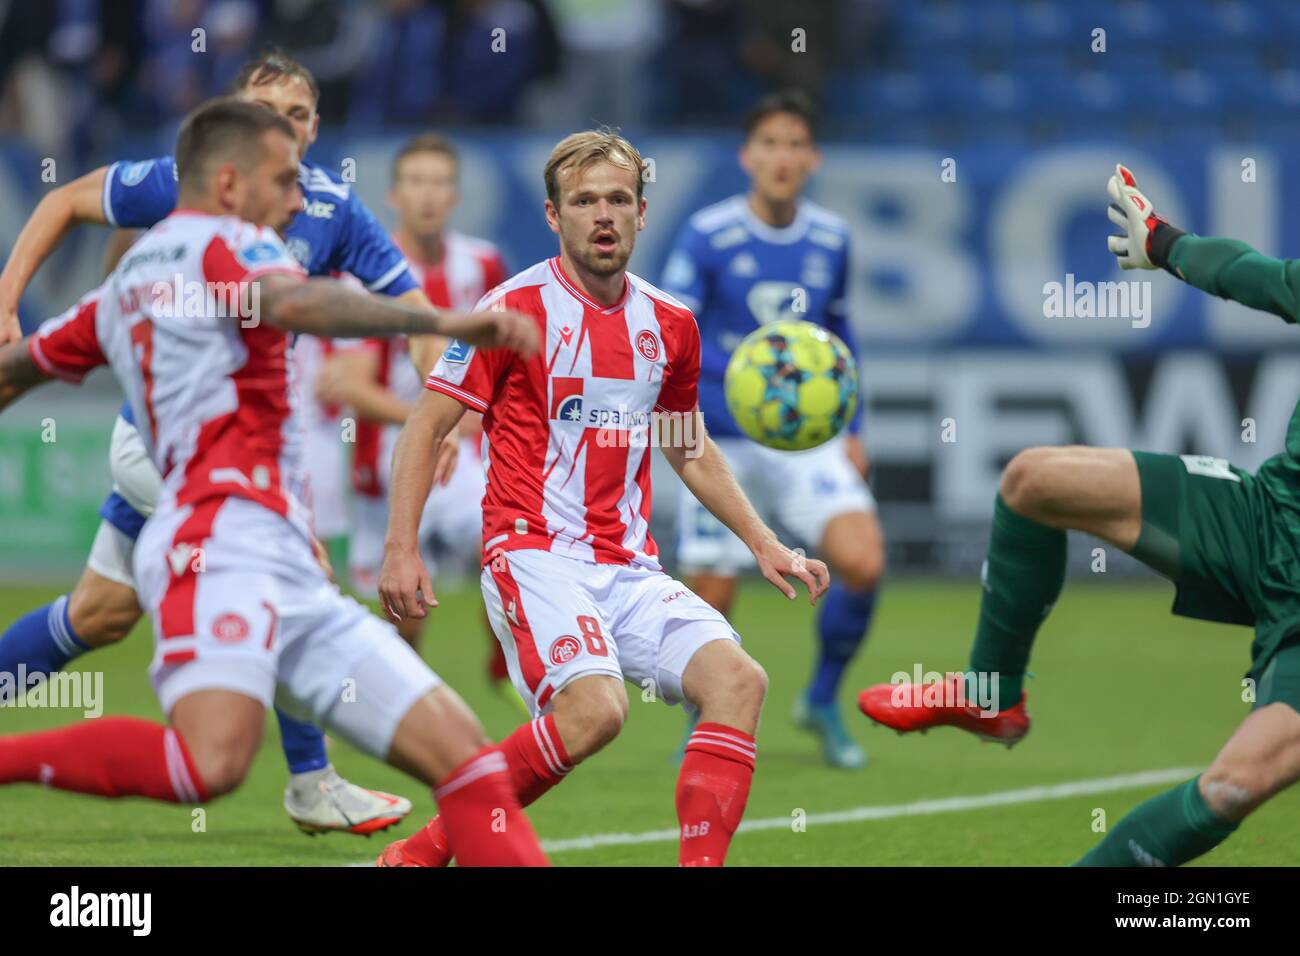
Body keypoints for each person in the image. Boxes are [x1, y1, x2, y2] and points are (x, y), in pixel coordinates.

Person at [0, 99, 546, 866]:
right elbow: (292, 300)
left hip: (279, 552)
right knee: (209, 763)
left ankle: (313, 778)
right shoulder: (232, 247)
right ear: (229, 183)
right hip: (217, 540)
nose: (299, 198)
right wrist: (447, 325)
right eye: (285, 179)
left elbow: (16, 371)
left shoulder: (121, 288)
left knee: (472, 763)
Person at [374, 129, 828, 868]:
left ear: (643, 213)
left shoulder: (671, 325)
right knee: (596, 713)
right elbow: (426, 427)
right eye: (583, 201)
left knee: (739, 682)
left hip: (628, 566)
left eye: (618, 198)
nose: (603, 214)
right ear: (555, 218)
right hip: (532, 553)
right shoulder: (509, 311)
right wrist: (402, 547)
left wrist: (764, 541)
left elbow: (685, 444)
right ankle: (428, 850)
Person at [858, 165, 1300, 866]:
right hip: (1269, 519)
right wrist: (1162, 242)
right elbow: (1261, 276)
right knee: (1036, 480)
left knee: (1233, 786)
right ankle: (992, 693)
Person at [660, 91, 883, 769]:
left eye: (794, 144)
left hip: (803, 439)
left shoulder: (830, 238)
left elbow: (840, 334)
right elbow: (674, 329)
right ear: (746, 156)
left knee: (862, 561)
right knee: (714, 595)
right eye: (769, 143)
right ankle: (707, 726)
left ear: (811, 158)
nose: (781, 157)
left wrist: (855, 424)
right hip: (719, 438)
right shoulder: (708, 234)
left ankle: (820, 698)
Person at [316, 133, 516, 704]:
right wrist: (434, 418)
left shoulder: (482, 264)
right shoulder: (363, 275)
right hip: (385, 466)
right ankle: (405, 710)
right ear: (395, 195)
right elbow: (349, 385)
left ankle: (506, 655)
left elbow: (506, 360)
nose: (429, 195)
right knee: (405, 622)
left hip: (461, 460)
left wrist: (481, 416)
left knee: (506, 545)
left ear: (454, 195)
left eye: (440, 183)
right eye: (417, 183)